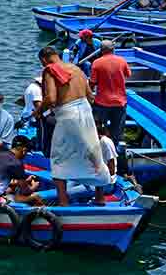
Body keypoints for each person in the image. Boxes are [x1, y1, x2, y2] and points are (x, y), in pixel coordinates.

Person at [39, 46, 110, 206]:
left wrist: (38, 110)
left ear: (44, 60)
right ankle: (100, 198)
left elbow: (51, 98)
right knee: (93, 153)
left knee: (58, 157)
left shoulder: (50, 70)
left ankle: (63, 202)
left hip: (67, 114)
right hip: (85, 110)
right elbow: (90, 95)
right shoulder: (76, 69)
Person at [0, 135, 44, 205]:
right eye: (27, 152)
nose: (25, 155)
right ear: (24, 150)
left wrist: (25, 181)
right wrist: (34, 186)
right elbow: (26, 191)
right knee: (35, 197)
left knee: (13, 188)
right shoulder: (16, 163)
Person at [90, 40, 131, 147]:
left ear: (101, 50)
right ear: (113, 49)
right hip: (119, 102)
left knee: (98, 129)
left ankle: (101, 150)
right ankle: (115, 151)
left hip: (102, 102)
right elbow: (128, 74)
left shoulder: (96, 63)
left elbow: (93, 82)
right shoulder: (122, 61)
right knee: (117, 132)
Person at [94, 119, 118, 205]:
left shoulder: (105, 142)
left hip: (105, 183)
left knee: (69, 191)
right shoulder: (92, 142)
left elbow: (111, 169)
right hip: (92, 178)